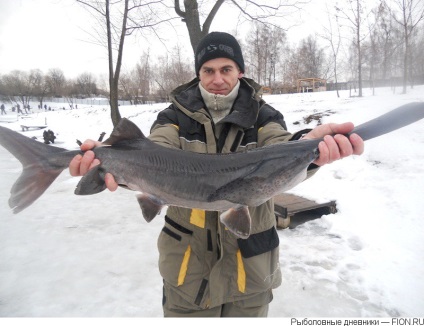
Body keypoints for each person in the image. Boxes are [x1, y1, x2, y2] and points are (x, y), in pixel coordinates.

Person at [69, 32, 364, 317]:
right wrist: (113, 159)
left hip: (251, 271)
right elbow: (157, 149)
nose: (217, 79)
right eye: (208, 70)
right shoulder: (173, 118)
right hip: (188, 272)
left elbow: (280, 147)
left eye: (226, 69)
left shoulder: (265, 117)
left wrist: (306, 148)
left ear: (241, 71)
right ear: (199, 74)